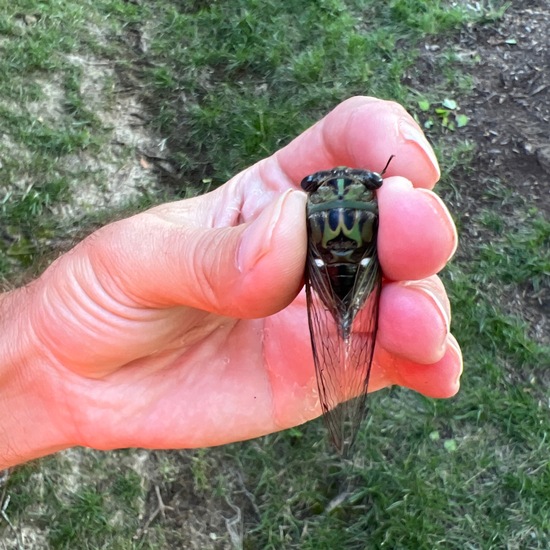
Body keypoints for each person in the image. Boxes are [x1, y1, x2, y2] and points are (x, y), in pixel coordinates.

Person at [0, 97, 461, 469]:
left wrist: (42, 348)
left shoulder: (310, 203)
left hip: (328, 276)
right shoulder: (370, 202)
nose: (340, 187)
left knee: (405, 295)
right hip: (345, 275)